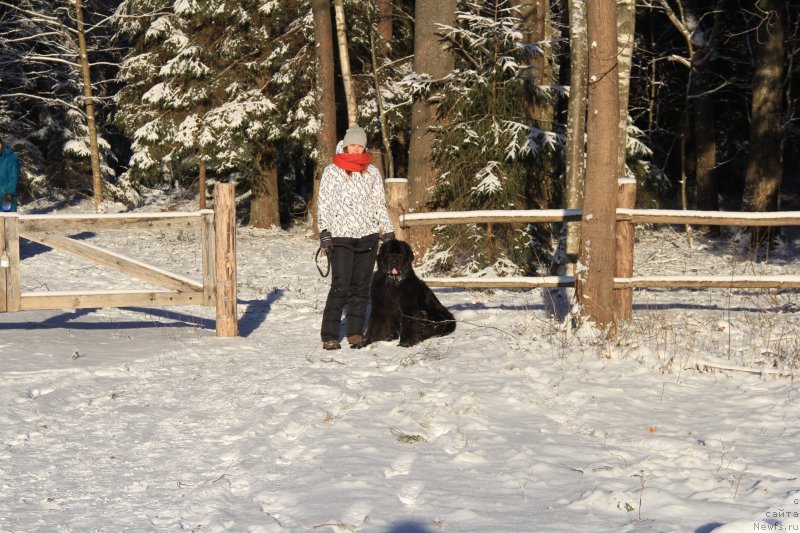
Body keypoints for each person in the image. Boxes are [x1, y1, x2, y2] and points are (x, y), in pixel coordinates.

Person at [317, 124, 395, 350]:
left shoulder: (372, 172)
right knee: (341, 286)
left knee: (361, 287)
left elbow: (379, 205)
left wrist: (387, 230)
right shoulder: (332, 171)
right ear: (345, 144)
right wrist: (324, 232)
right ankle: (330, 335)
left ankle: (354, 332)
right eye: (352, 144)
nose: (355, 149)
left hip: (368, 237)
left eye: (360, 146)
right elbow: (324, 204)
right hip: (341, 236)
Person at [0, 139, 20, 212]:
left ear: (2, 144)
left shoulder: (11, 157)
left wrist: (9, 192)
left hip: (6, 195)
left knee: (7, 219)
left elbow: (14, 176)